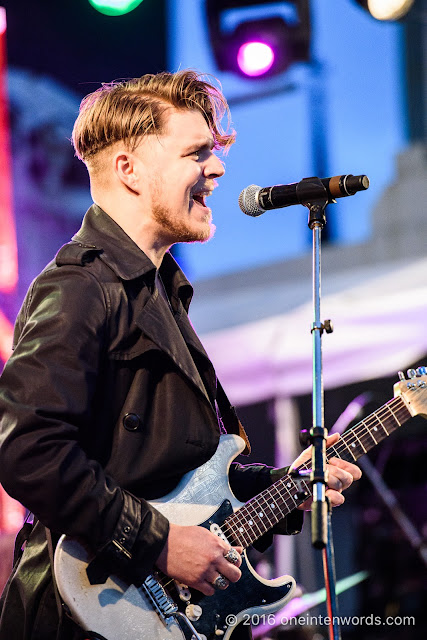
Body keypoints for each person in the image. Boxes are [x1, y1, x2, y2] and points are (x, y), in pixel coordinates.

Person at [0, 70, 361, 640]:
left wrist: (288, 490)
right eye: (197, 153)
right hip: (83, 618)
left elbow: (179, 480)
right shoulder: (79, 287)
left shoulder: (162, 291)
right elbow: (29, 451)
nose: (217, 170)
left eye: (214, 153)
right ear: (129, 169)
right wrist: (160, 543)